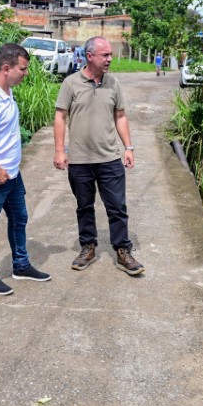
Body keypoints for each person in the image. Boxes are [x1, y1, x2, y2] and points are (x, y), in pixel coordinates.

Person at [53, 36, 144, 276]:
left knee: (117, 207)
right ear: (89, 56)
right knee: (84, 207)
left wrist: (129, 147)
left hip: (110, 159)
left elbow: (121, 116)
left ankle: (123, 250)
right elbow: (60, 116)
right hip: (80, 160)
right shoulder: (71, 83)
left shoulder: (113, 84)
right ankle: (88, 247)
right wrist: (60, 150)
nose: (109, 59)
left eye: (110, 55)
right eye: (105, 55)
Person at [0, 43, 51, 296]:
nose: (26, 73)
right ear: (7, 68)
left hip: (12, 174)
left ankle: (21, 265)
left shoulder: (6, 91)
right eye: (23, 69)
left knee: (19, 218)